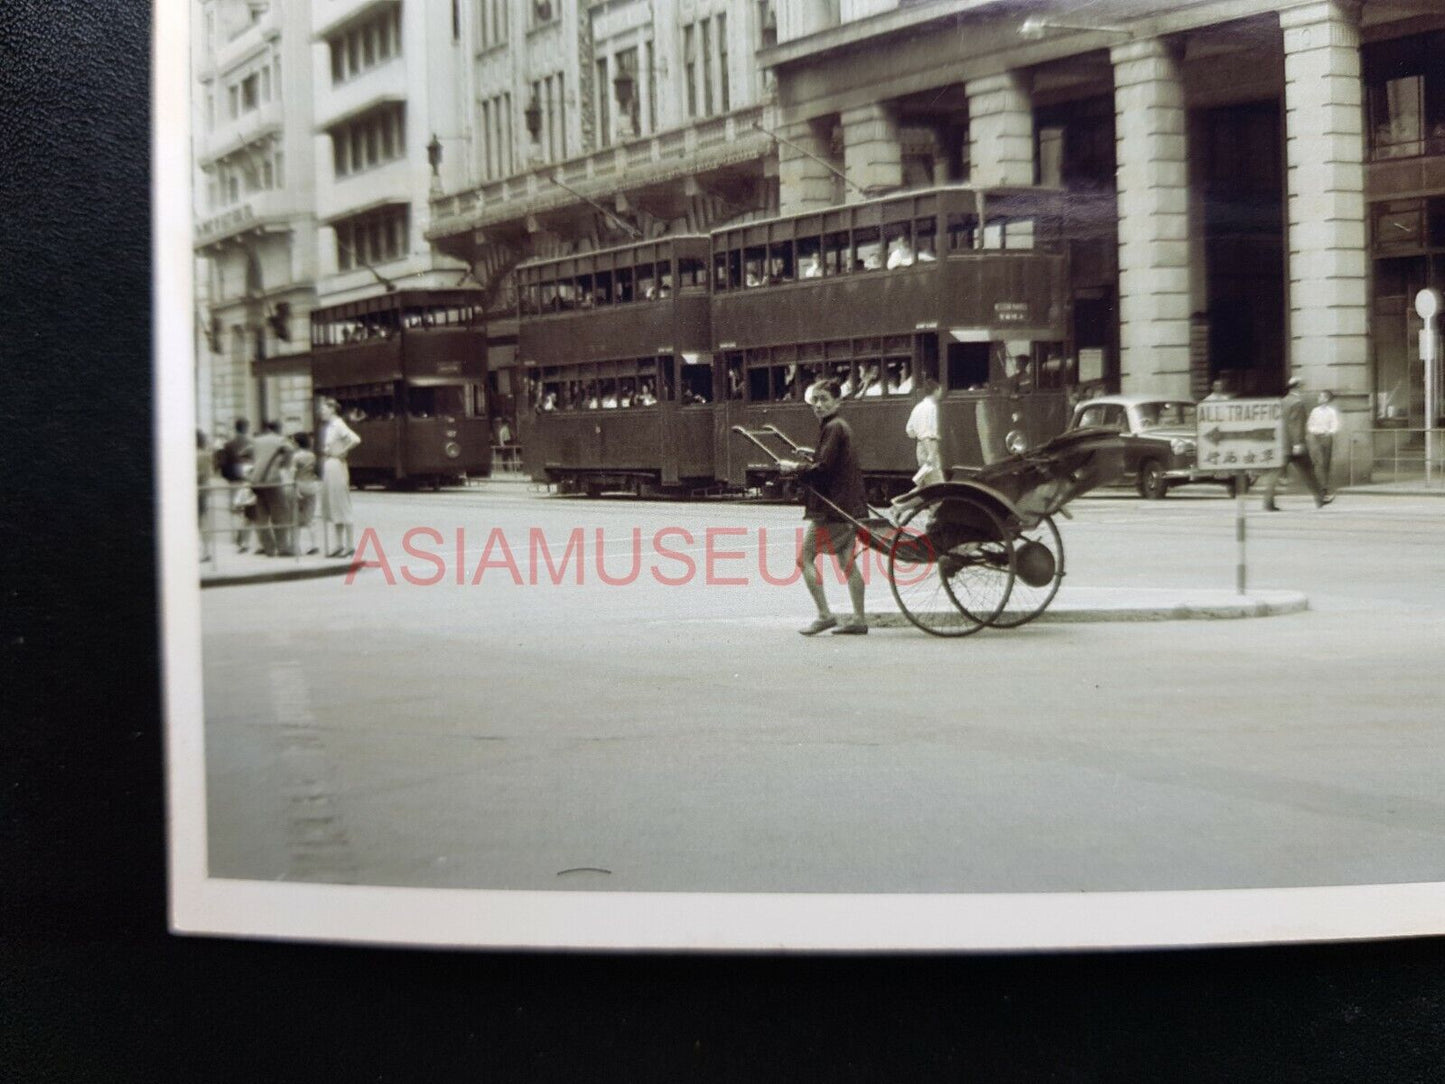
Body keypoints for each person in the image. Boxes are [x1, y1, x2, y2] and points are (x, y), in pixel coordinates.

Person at [779, 381, 868, 636]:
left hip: (833, 509)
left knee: (804, 558)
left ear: (838, 402)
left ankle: (824, 615)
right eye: (815, 400)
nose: (818, 405)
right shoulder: (838, 427)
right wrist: (811, 453)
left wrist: (792, 467)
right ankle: (859, 619)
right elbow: (830, 460)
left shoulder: (833, 427)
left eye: (824, 399)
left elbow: (823, 469)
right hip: (848, 506)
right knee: (847, 562)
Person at [1263, 376, 1331, 511]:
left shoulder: (1282, 402)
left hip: (1282, 444)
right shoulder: (1297, 403)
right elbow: (1296, 424)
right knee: (1309, 472)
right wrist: (1298, 443)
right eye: (1302, 386)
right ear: (1298, 387)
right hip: (1295, 445)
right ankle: (1320, 498)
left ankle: (1268, 502)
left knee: (1275, 473)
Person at [317, 396, 362, 557]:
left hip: (336, 464)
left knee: (341, 504)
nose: (321, 412)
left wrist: (343, 451)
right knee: (333, 505)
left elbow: (356, 439)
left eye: (323, 409)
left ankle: (349, 545)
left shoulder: (338, 424)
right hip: (329, 464)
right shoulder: (330, 426)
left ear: (332, 410)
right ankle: (339, 544)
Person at [250, 420, 297, 557]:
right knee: (280, 514)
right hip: (272, 480)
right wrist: (284, 463)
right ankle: (283, 548)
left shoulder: (257, 440)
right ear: (279, 428)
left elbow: (245, 453)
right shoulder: (280, 439)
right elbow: (290, 449)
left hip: (256, 481)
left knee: (262, 515)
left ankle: (268, 548)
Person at [218, 418, 254, 552]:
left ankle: (236, 537)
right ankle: (244, 539)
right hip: (247, 479)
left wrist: (227, 477)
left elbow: (223, 464)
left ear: (235, 428)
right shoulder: (251, 443)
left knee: (235, 510)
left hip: (233, 481)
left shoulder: (228, 444)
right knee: (248, 510)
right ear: (246, 428)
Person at [291, 431, 322, 555]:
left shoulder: (295, 457)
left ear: (297, 443)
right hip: (311, 486)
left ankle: (296, 546)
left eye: (293, 441)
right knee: (310, 518)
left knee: (295, 519)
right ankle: (314, 545)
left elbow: (293, 473)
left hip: (299, 486)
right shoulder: (311, 455)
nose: (292, 443)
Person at [1307, 389, 1341, 494]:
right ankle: (1319, 486)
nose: (1319, 398)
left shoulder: (1331, 412)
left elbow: (1335, 425)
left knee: (1325, 463)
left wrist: (1330, 432)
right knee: (1318, 462)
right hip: (1316, 437)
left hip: (1326, 438)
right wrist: (1313, 431)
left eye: (1321, 397)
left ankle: (1324, 486)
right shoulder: (1315, 411)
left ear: (1326, 399)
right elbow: (1310, 424)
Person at [196, 429, 214, 563]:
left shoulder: (197, 455)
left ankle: (205, 552)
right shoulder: (205, 454)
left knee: (200, 522)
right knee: (202, 521)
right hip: (203, 490)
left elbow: (198, 475)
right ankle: (205, 551)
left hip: (198, 491)